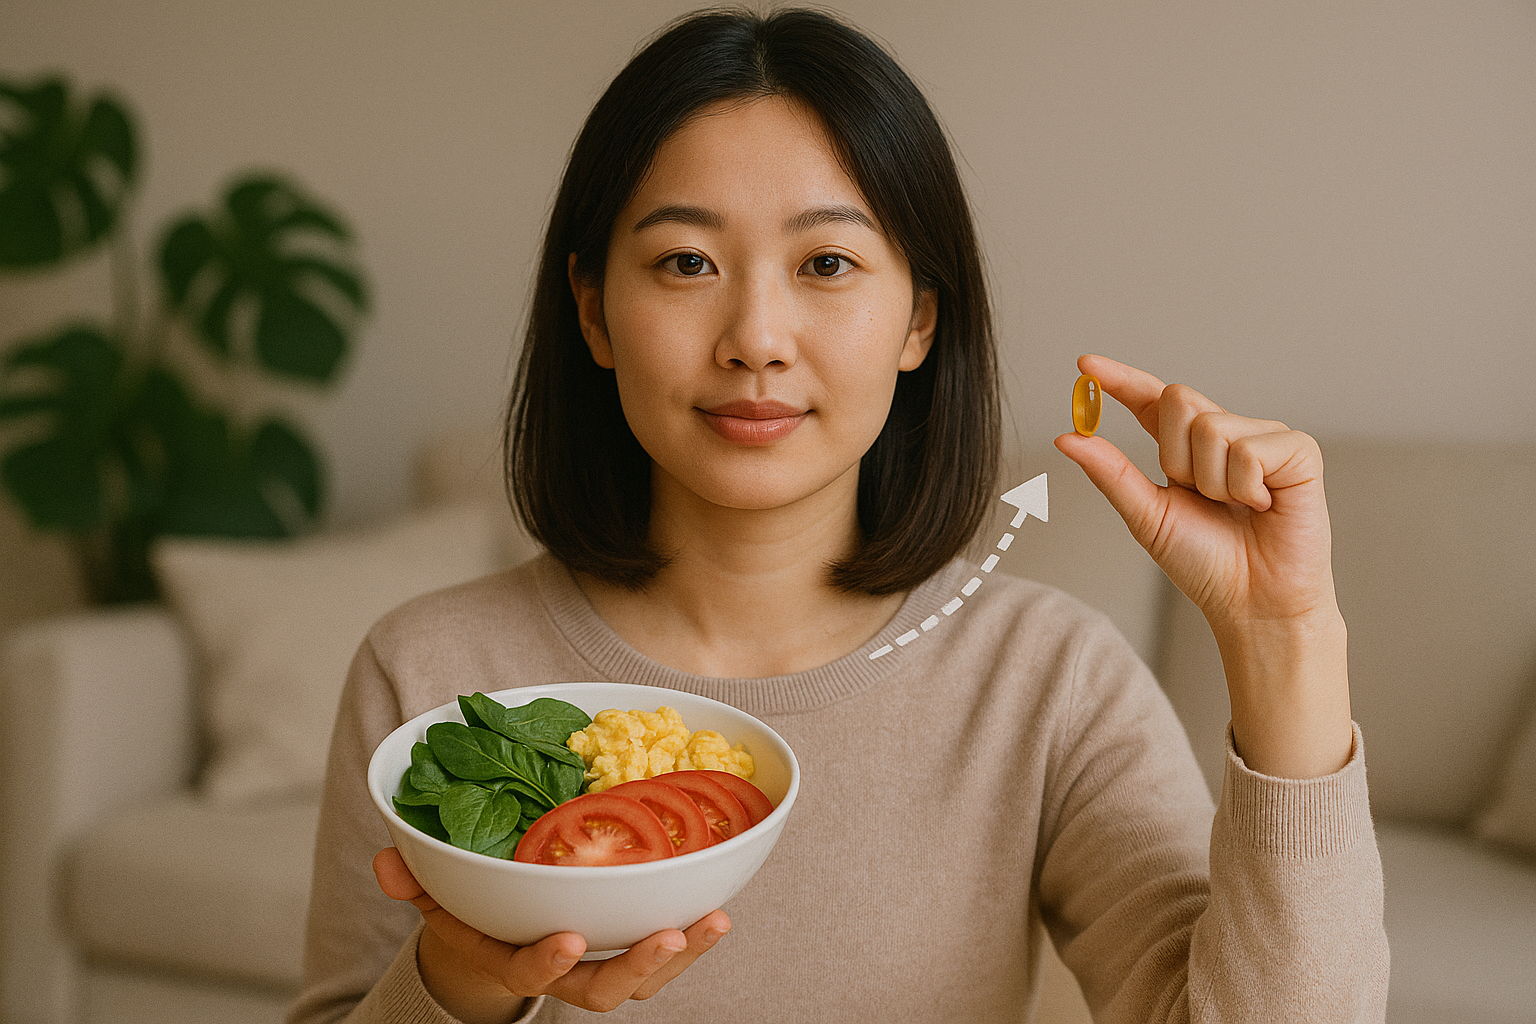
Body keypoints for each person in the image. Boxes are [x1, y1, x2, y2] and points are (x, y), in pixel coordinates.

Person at [288, 8, 1389, 1023]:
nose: (757, 335)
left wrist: (1285, 638)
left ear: (918, 319)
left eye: (826, 262)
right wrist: (458, 984)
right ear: (594, 311)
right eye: (686, 261)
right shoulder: (434, 676)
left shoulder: (1047, 683)